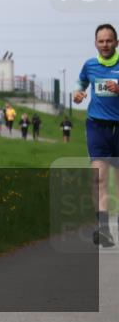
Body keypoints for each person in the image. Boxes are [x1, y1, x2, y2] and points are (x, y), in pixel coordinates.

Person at [72, 23, 119, 248]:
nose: (105, 44)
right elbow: (80, 83)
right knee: (99, 177)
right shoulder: (90, 65)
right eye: (101, 41)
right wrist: (78, 94)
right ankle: (104, 229)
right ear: (95, 44)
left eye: (109, 40)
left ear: (116, 43)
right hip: (97, 127)